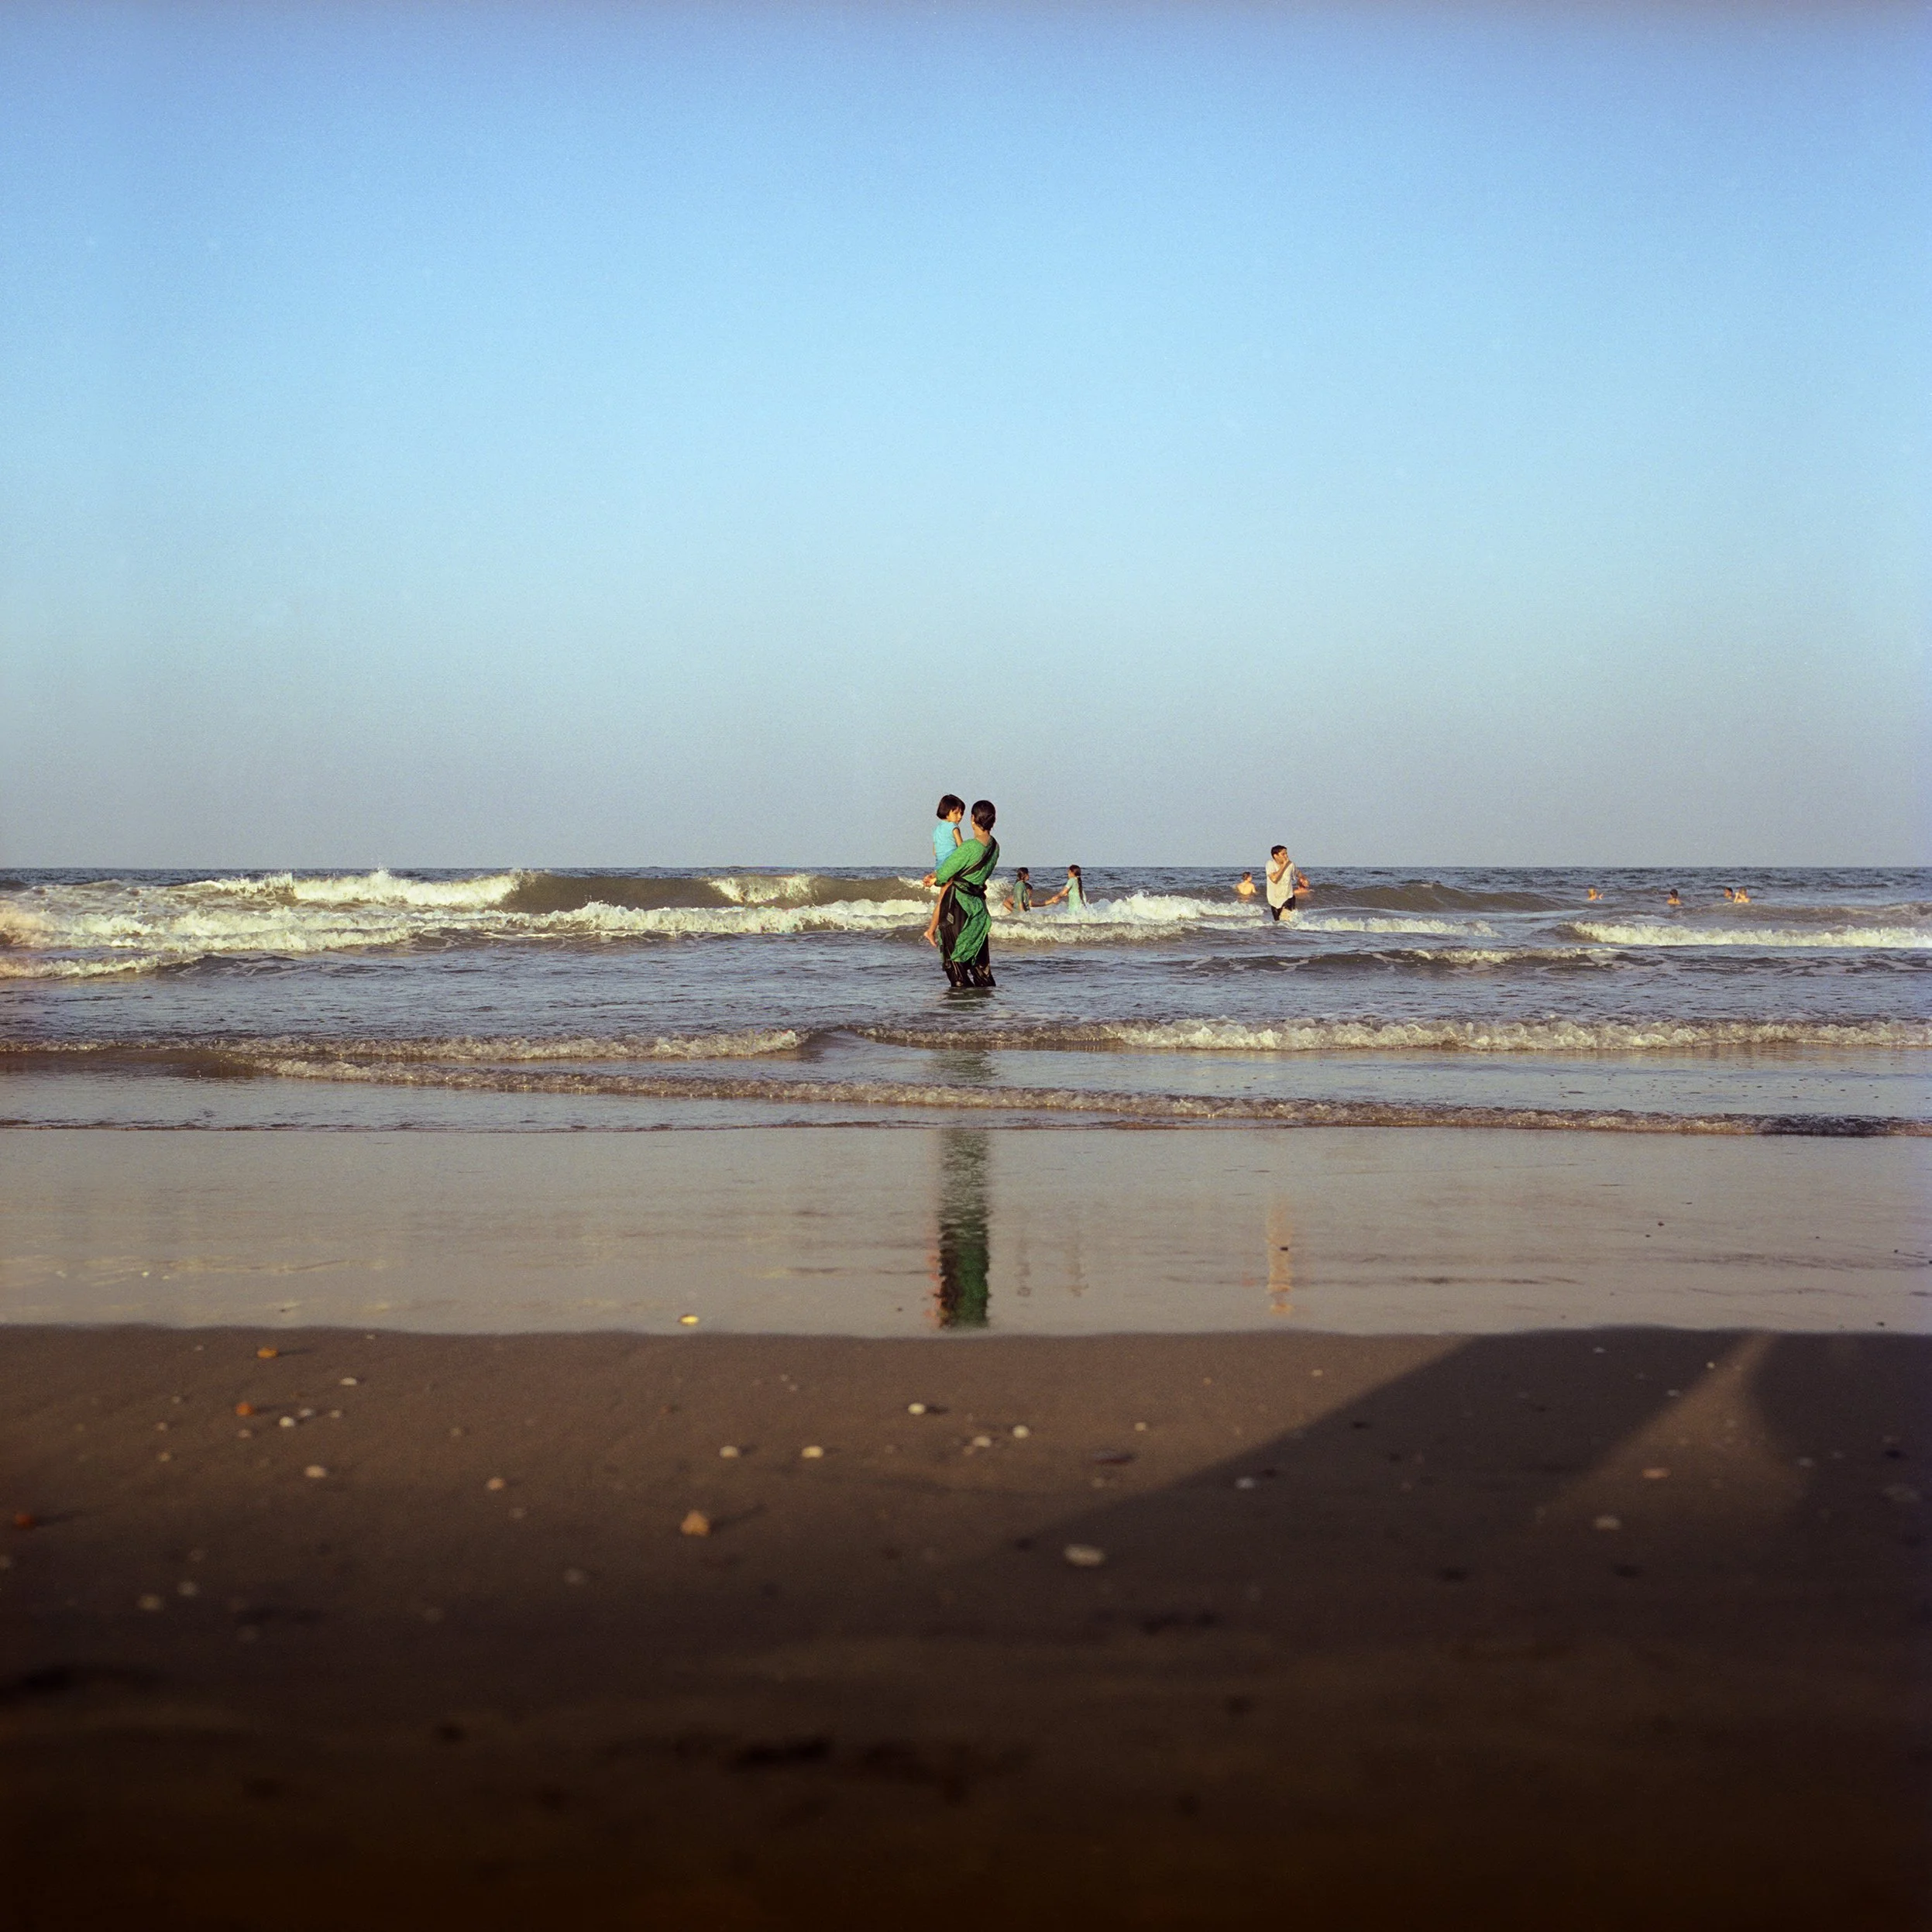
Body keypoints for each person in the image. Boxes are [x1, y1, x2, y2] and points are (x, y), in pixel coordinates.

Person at [924, 799, 1000, 988]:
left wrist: (934, 878)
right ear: (993, 821)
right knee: (981, 966)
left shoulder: (969, 847)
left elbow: (945, 874)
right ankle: (987, 1012)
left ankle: (959, 1014)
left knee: (956, 966)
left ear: (973, 819)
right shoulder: (995, 847)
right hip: (978, 910)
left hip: (958, 907)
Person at [922, 796, 964, 885]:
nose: (960, 816)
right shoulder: (954, 827)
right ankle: (934, 880)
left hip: (939, 864)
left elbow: (935, 852)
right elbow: (962, 848)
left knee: (941, 878)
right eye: (956, 813)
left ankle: (931, 877)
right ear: (946, 813)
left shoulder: (936, 830)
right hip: (951, 862)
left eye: (962, 813)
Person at [1265, 845, 1308, 922]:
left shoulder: (1291, 864)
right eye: (1283, 854)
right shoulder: (1270, 864)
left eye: (1286, 853)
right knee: (1278, 925)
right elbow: (1274, 879)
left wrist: (1303, 879)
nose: (1286, 856)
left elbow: (1299, 874)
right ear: (1275, 856)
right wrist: (1284, 866)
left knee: (1285, 922)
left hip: (1288, 897)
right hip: (1274, 900)